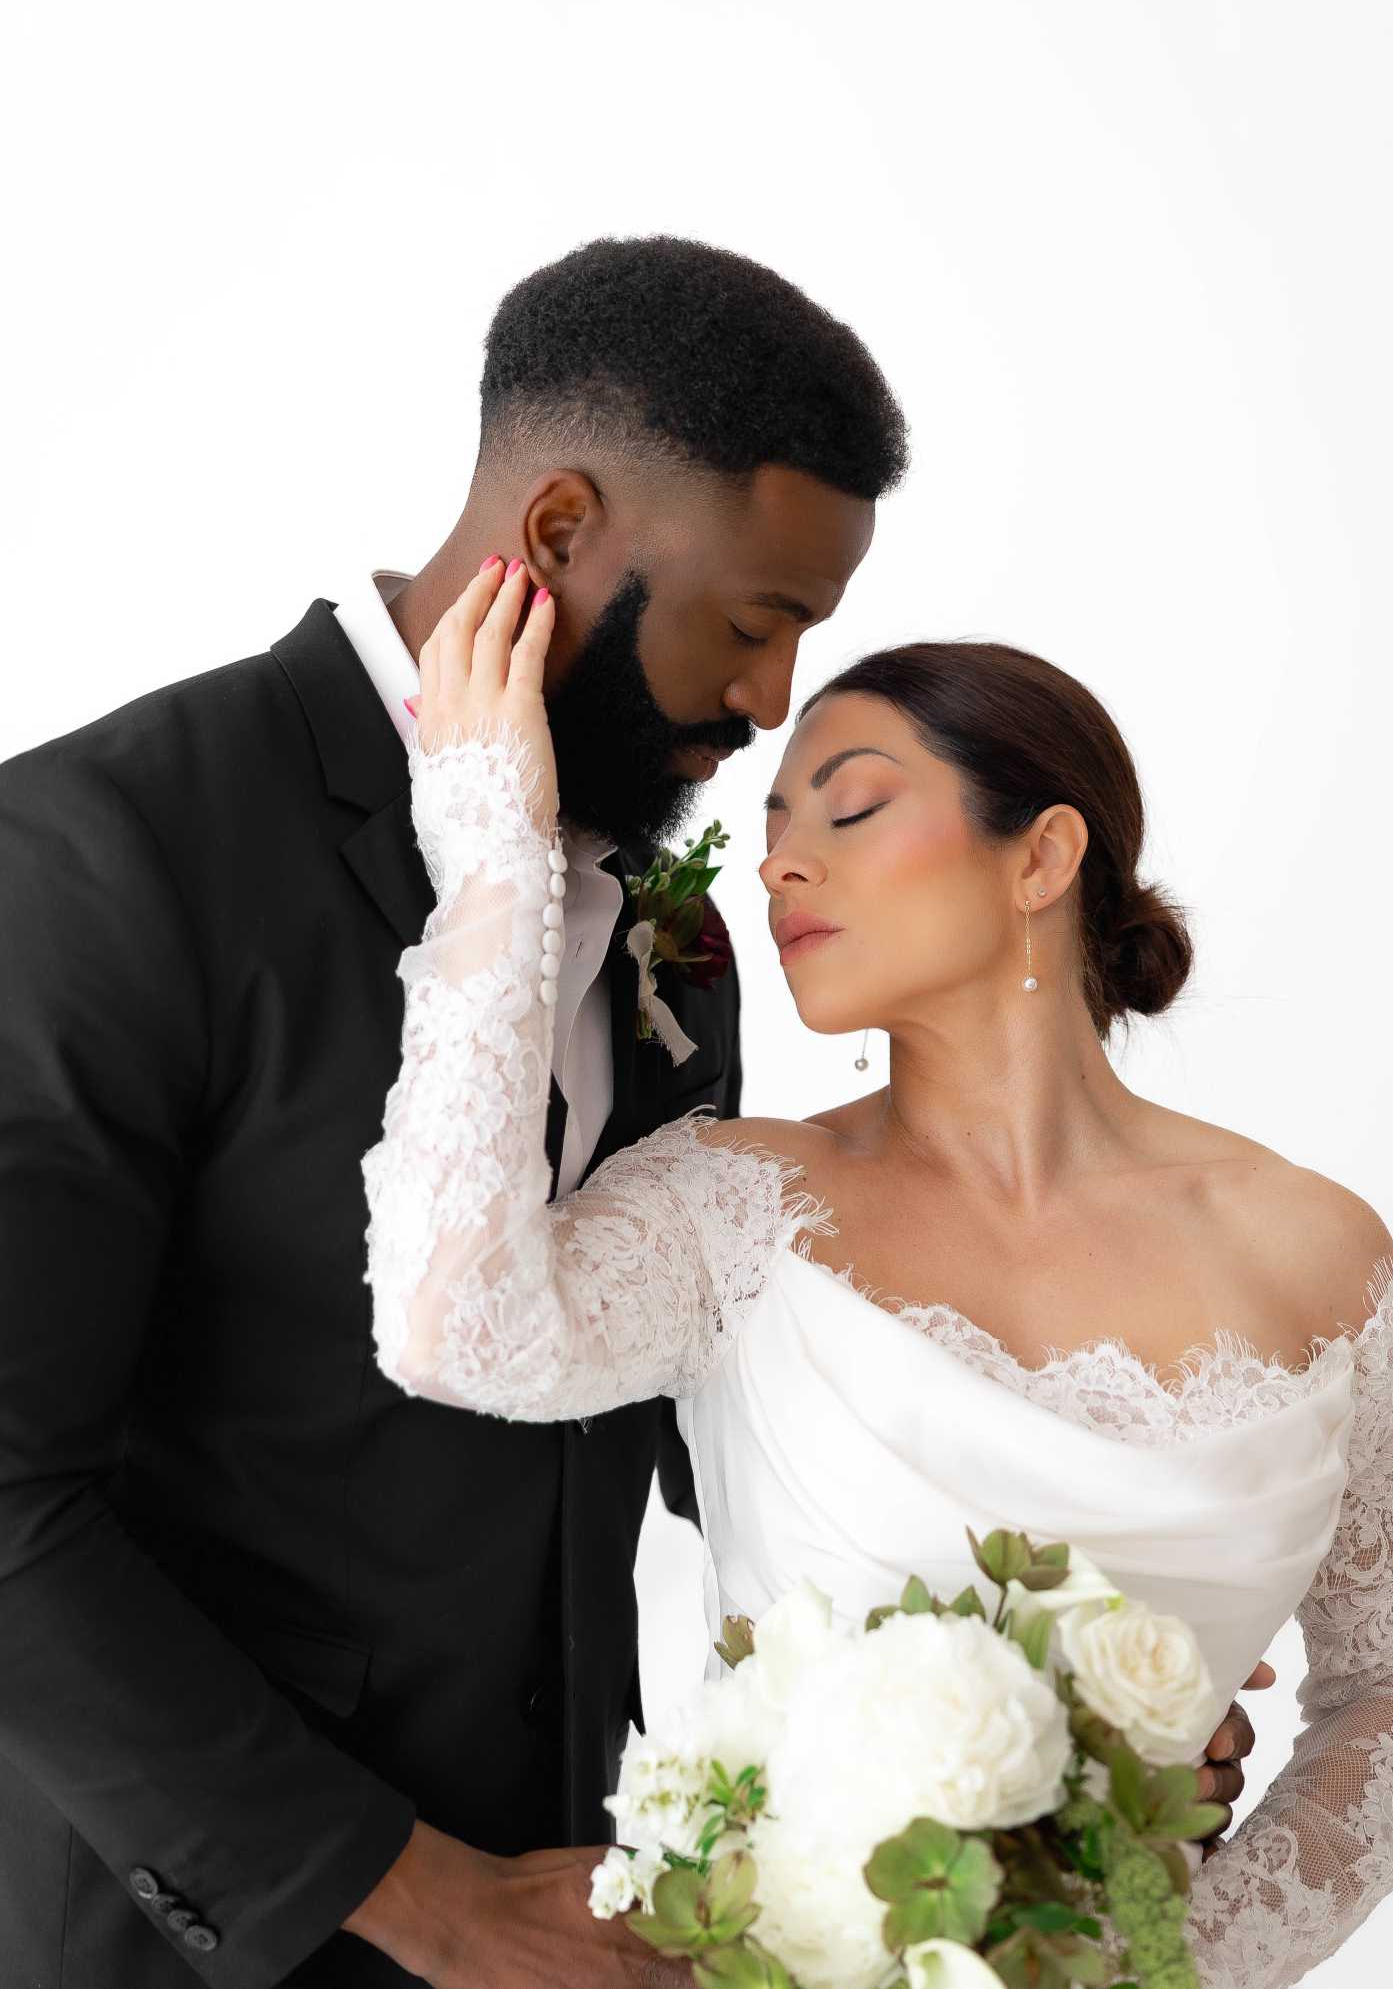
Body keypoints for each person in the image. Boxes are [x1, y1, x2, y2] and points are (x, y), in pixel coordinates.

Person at [366, 561, 1393, 1989]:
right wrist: (492, 852)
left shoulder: (1324, 1252)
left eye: (850, 806)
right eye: (771, 826)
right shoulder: (739, 1205)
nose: (777, 862)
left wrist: (1171, 1960)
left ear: (1043, 855)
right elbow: (453, 1324)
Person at [0, 236, 911, 1987]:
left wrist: (1028, 1686)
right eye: (754, 621)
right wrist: (425, 1898)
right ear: (558, 531)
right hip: (184, 1941)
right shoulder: (107, 858)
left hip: (582, 1923)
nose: (774, 700)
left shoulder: (683, 941)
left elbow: (699, 1429)